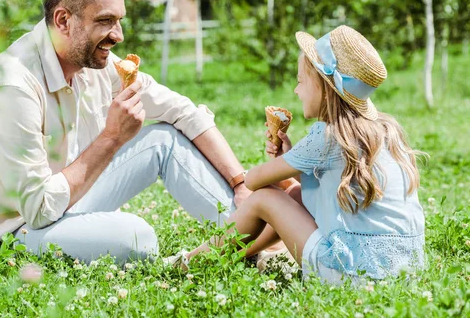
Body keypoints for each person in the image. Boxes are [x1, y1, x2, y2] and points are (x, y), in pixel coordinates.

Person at [0, 0, 257, 263]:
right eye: (105, 21)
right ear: (63, 20)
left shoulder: (96, 65)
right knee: (136, 235)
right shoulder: (12, 86)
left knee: (164, 139)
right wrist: (112, 138)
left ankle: (249, 239)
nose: (119, 36)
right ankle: (188, 263)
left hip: (57, 210)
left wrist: (241, 183)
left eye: (119, 21)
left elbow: (181, 110)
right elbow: (38, 208)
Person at [170, 25, 425, 283]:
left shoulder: (327, 135)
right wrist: (291, 159)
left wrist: (281, 165)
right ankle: (243, 254)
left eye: (300, 81)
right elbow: (330, 186)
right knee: (295, 193)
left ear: (323, 87)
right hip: (401, 269)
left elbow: (253, 181)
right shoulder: (382, 129)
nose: (296, 90)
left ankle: (191, 262)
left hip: (350, 274)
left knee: (265, 199)